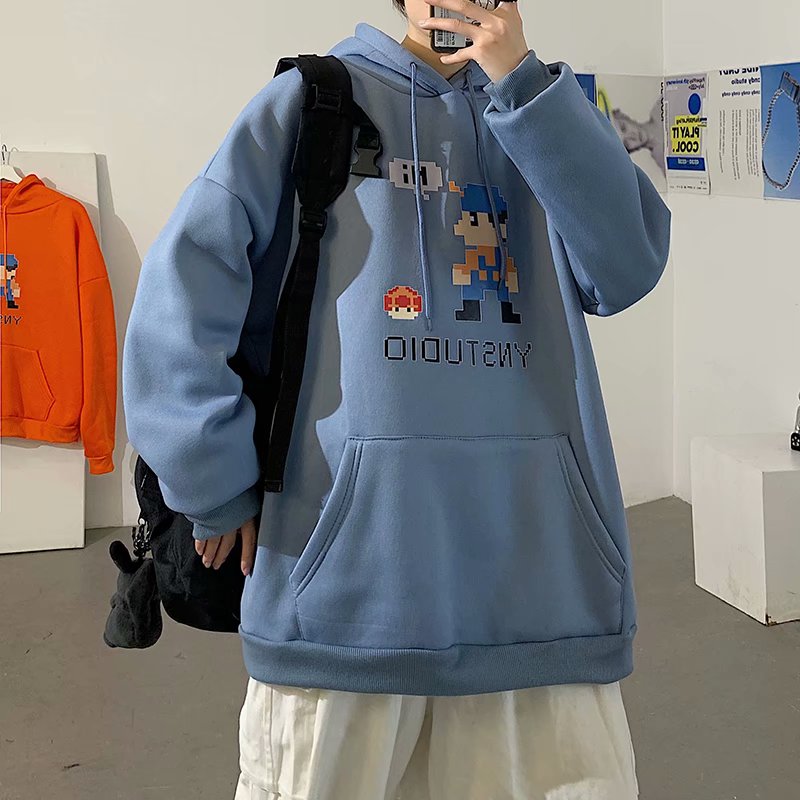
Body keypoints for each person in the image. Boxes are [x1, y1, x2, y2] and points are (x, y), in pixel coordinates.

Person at [122, 0, 672, 796]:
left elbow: (627, 266)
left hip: (542, 599)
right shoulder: (313, 102)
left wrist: (522, 83)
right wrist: (212, 478)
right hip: (342, 600)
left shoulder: (547, 111)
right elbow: (180, 296)